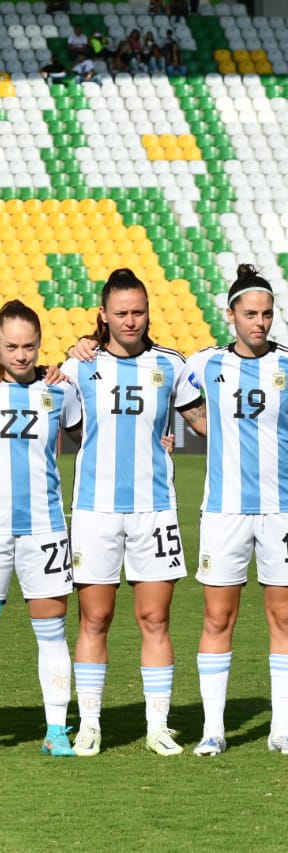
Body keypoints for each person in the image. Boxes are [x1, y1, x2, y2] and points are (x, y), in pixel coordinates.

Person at [59, 269, 198, 757]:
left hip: (154, 511)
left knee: (155, 619)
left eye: (138, 311)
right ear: (103, 315)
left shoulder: (172, 365)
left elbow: (202, 420)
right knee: (94, 619)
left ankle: (157, 725)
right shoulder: (77, 367)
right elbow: (65, 427)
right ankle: (90, 724)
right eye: (121, 313)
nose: (131, 320)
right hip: (95, 511)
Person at [0, 300, 82, 761]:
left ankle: (57, 728)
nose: (22, 355)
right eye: (12, 347)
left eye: (29, 346)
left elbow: (91, 442)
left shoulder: (60, 392)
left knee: (52, 633)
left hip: (43, 531)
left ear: (39, 345)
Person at [178, 265, 288, 756]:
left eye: (266, 314)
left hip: (281, 511)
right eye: (250, 315)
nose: (259, 323)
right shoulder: (204, 364)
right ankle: (214, 729)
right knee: (217, 617)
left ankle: (282, 727)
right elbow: (183, 404)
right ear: (231, 315)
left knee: (282, 617)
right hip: (223, 512)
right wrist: (212, 431)